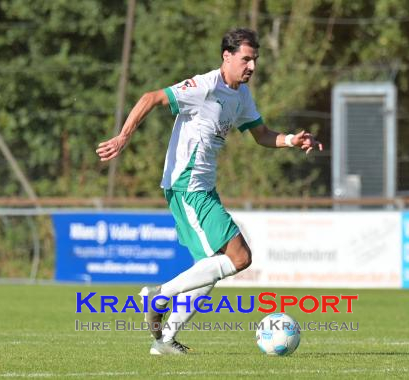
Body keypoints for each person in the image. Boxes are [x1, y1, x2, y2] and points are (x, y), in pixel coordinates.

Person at [96, 27, 322, 355]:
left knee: (210, 270)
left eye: (255, 60)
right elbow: (151, 98)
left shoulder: (241, 95)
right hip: (187, 187)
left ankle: (164, 341)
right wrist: (123, 136)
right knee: (239, 257)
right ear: (226, 56)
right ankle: (157, 297)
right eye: (246, 59)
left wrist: (291, 140)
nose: (252, 67)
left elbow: (260, 134)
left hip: (204, 189)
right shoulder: (204, 86)